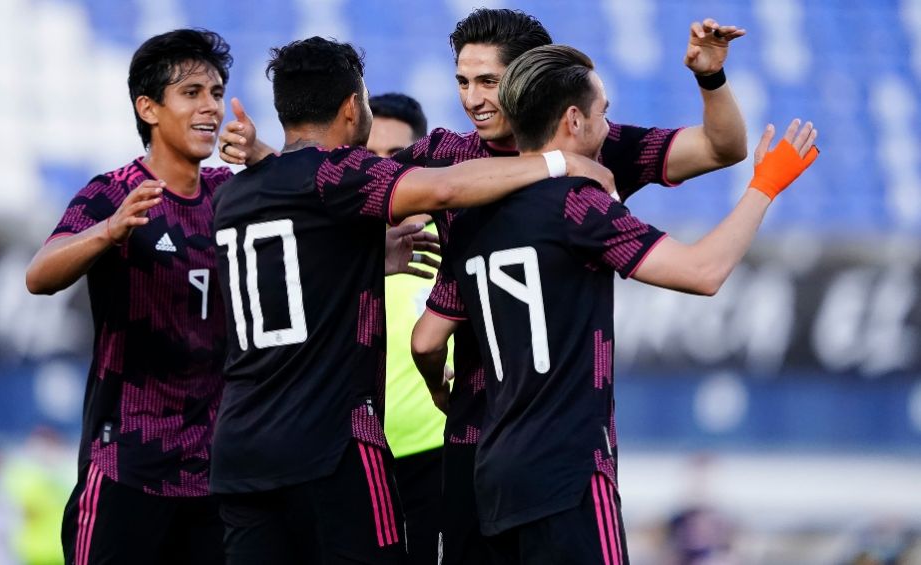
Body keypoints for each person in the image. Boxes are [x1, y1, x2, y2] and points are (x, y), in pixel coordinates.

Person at [217, 9, 748, 563]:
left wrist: (710, 78)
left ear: (529, 77)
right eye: (462, 81)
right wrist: (267, 161)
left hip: (552, 432)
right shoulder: (454, 154)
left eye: (488, 81)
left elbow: (722, 148)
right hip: (477, 432)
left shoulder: (593, 142)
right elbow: (342, 185)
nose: (472, 98)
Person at [414, 44, 818, 564]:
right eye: (604, 112)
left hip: (494, 470)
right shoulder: (579, 204)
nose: (609, 126)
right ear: (574, 119)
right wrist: (765, 185)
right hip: (570, 467)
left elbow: (426, 338)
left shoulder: (470, 216)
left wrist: (439, 387)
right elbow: (703, 272)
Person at [208, 36, 603, 564]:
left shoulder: (235, 194)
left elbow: (304, 244)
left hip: (238, 446)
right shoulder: (339, 173)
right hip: (332, 442)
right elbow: (443, 190)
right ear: (353, 108)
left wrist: (371, 256)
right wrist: (558, 165)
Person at [26, 29, 235, 564]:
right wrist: (109, 231)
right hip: (126, 462)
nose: (210, 105)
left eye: (216, 92)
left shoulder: (232, 195)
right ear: (149, 108)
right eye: (192, 93)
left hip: (215, 473)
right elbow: (40, 275)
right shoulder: (111, 193)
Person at [368, 92, 445, 565]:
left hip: (437, 453)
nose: (380, 170)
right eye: (368, 157)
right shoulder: (335, 246)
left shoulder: (458, 239)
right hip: (354, 455)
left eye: (394, 157)